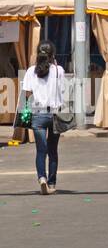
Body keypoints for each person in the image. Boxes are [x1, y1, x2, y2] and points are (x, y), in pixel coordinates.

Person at [21, 42, 67, 194]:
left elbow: (27, 95)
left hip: (37, 115)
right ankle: (52, 184)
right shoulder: (58, 70)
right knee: (53, 150)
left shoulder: (30, 71)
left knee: (41, 151)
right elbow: (63, 90)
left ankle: (42, 178)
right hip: (54, 114)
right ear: (53, 54)